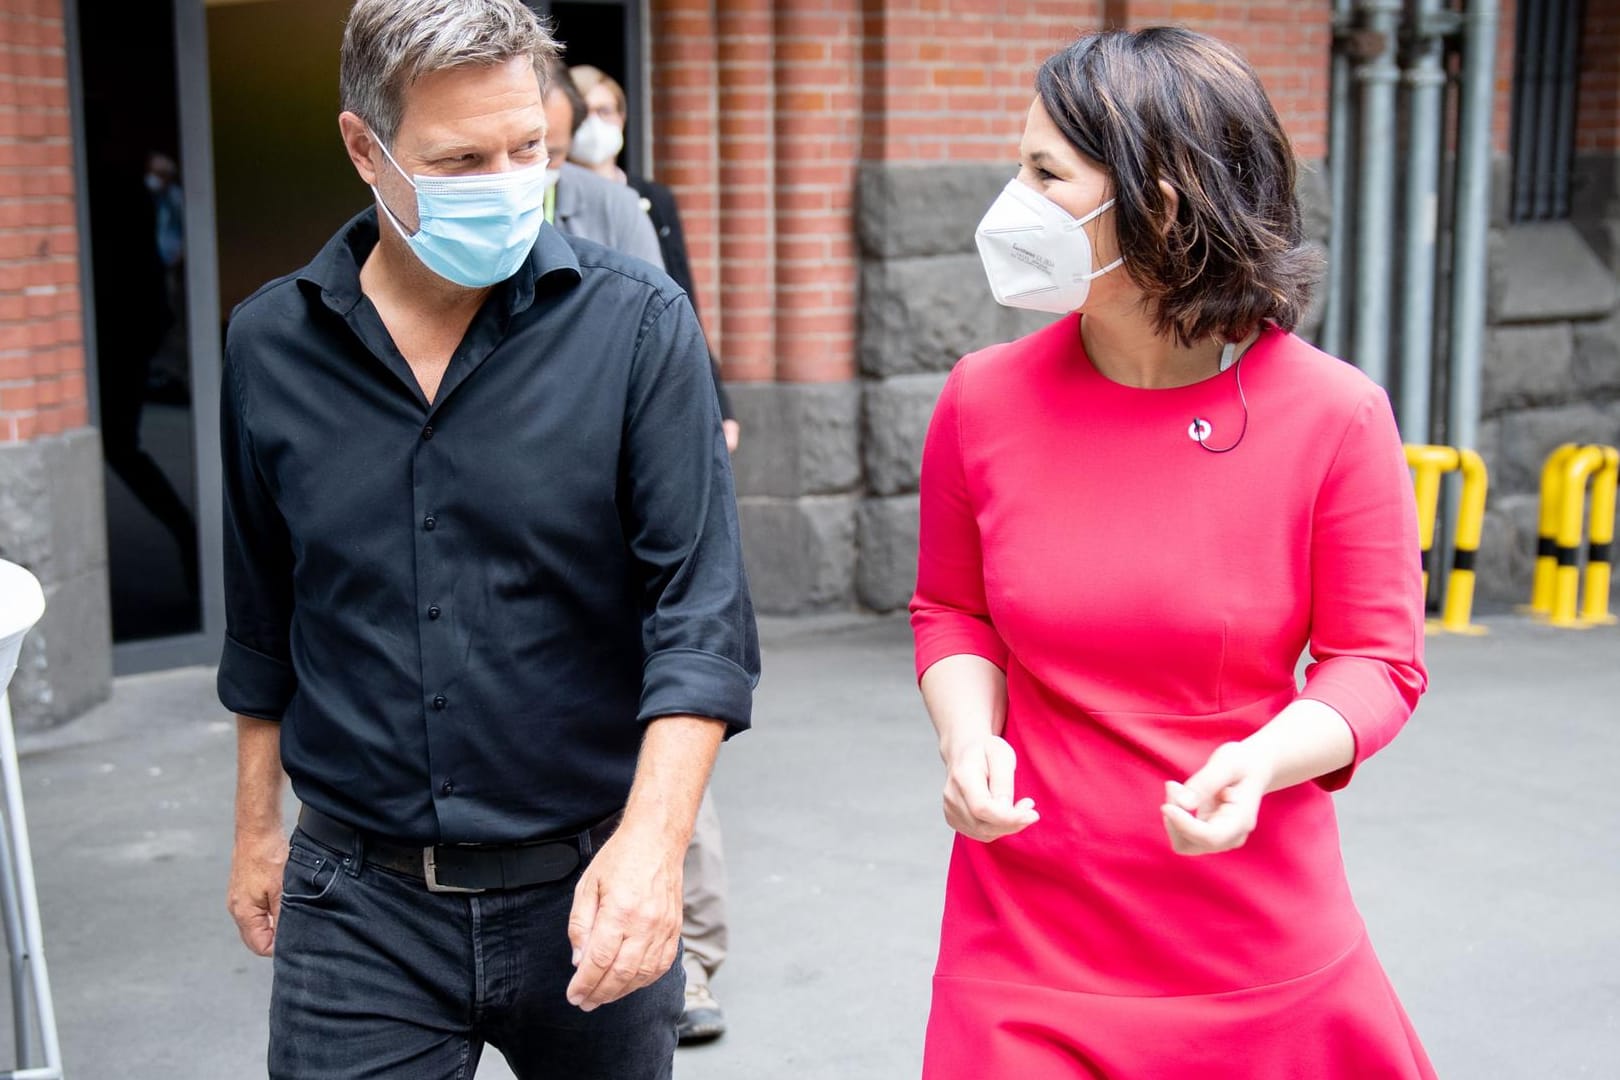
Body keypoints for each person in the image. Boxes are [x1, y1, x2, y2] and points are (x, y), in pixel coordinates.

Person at [220, 3, 759, 1078]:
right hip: (357, 901)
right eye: (462, 159)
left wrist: (653, 852)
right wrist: (253, 826)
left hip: (591, 878)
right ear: (363, 148)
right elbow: (263, 607)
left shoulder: (639, 327)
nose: (509, 181)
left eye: (530, 149)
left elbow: (699, 617)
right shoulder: (269, 343)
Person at [910, 28, 1434, 1079]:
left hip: (1253, 933)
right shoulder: (981, 398)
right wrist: (967, 738)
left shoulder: (1334, 416)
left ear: (1159, 199)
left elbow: (1378, 663)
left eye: (1044, 172)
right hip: (1023, 928)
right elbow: (951, 611)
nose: (1009, 200)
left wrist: (1266, 759)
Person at [567, 62, 739, 1044]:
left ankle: (696, 957)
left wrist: (710, 411)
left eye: (592, 117)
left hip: (648, 469)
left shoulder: (632, 207)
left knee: (678, 710)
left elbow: (679, 310)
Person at [567, 63, 741, 455]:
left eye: (605, 111)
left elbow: (682, 297)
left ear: (623, 117)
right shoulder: (558, 198)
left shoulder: (653, 198)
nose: (595, 124)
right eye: (585, 112)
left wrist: (719, 400)